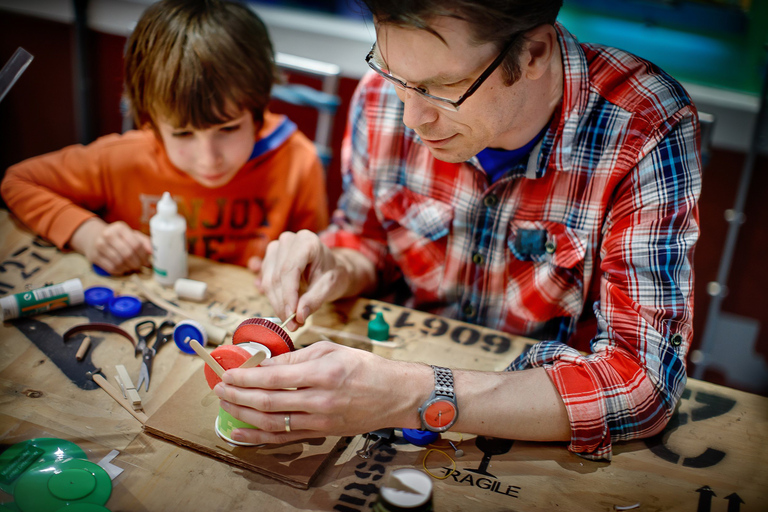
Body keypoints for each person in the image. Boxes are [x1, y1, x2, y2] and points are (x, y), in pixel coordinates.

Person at [214, 0, 702, 461]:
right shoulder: (385, 96)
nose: (412, 117)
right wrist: (337, 264)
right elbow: (368, 241)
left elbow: (643, 382)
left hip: (542, 431)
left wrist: (412, 394)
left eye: (441, 87)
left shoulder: (642, 123)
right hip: (399, 365)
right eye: (393, 73)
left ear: (532, 52)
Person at [1, 0, 328, 275]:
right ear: (151, 123)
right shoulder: (122, 158)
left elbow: (320, 252)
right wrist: (88, 234)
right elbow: (17, 182)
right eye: (183, 133)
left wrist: (298, 269)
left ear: (258, 111)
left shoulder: (297, 161)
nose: (208, 157)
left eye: (227, 128)